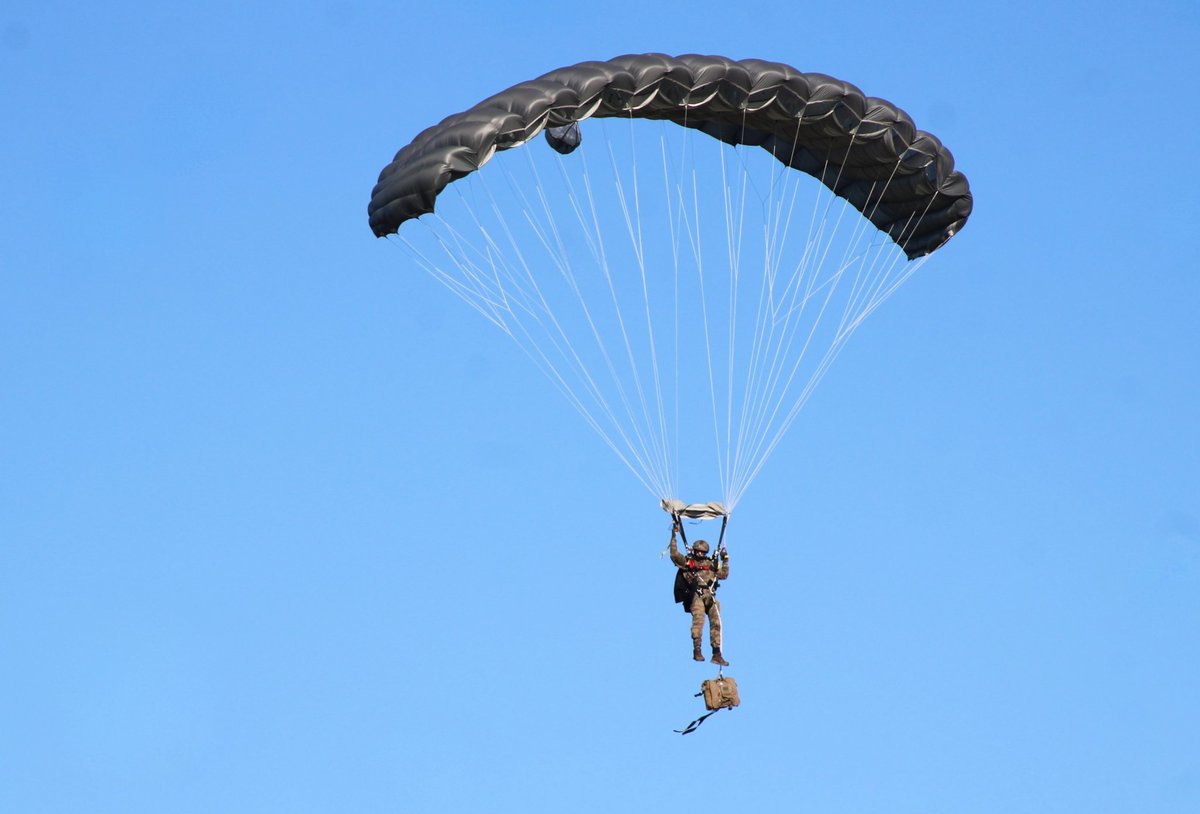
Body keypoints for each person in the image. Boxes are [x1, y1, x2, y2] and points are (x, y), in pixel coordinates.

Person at [669, 519, 730, 666]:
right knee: (698, 622)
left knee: (717, 623)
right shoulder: (688, 563)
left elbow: (723, 574)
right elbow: (674, 555)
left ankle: (717, 654)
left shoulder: (711, 564)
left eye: (703, 552)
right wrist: (674, 535)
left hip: (711, 597)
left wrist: (725, 559)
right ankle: (697, 650)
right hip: (698, 597)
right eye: (698, 552)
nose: (700, 554)